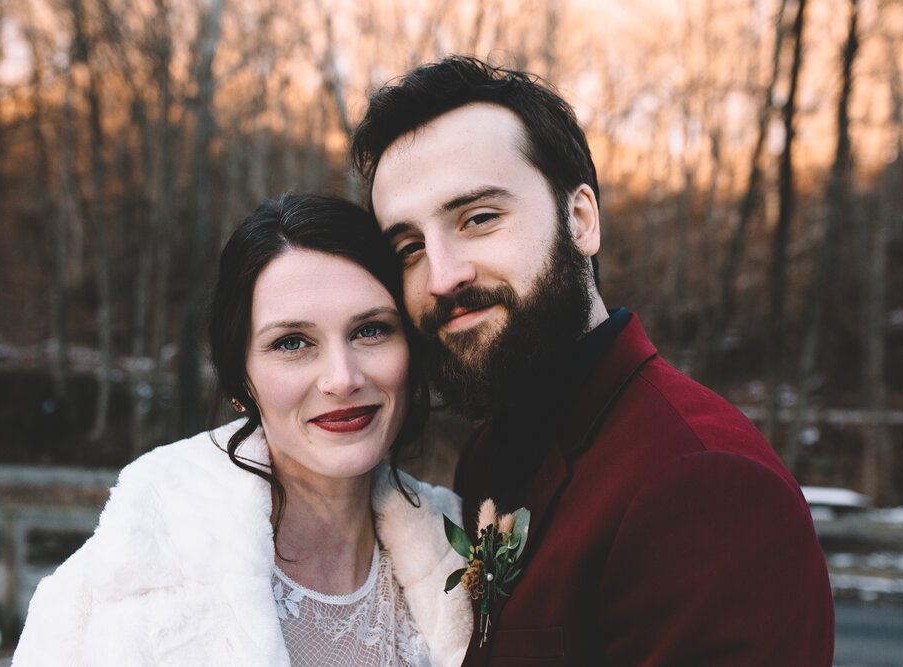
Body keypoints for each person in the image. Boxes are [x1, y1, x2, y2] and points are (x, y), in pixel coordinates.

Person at [350, 56, 835, 665]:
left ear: (580, 220)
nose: (441, 276)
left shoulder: (705, 487)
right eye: (410, 246)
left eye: (478, 218)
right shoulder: (489, 453)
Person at [12, 194, 472, 666]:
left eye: (371, 330)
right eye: (292, 342)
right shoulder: (130, 573)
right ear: (242, 379)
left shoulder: (459, 550)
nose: (343, 378)